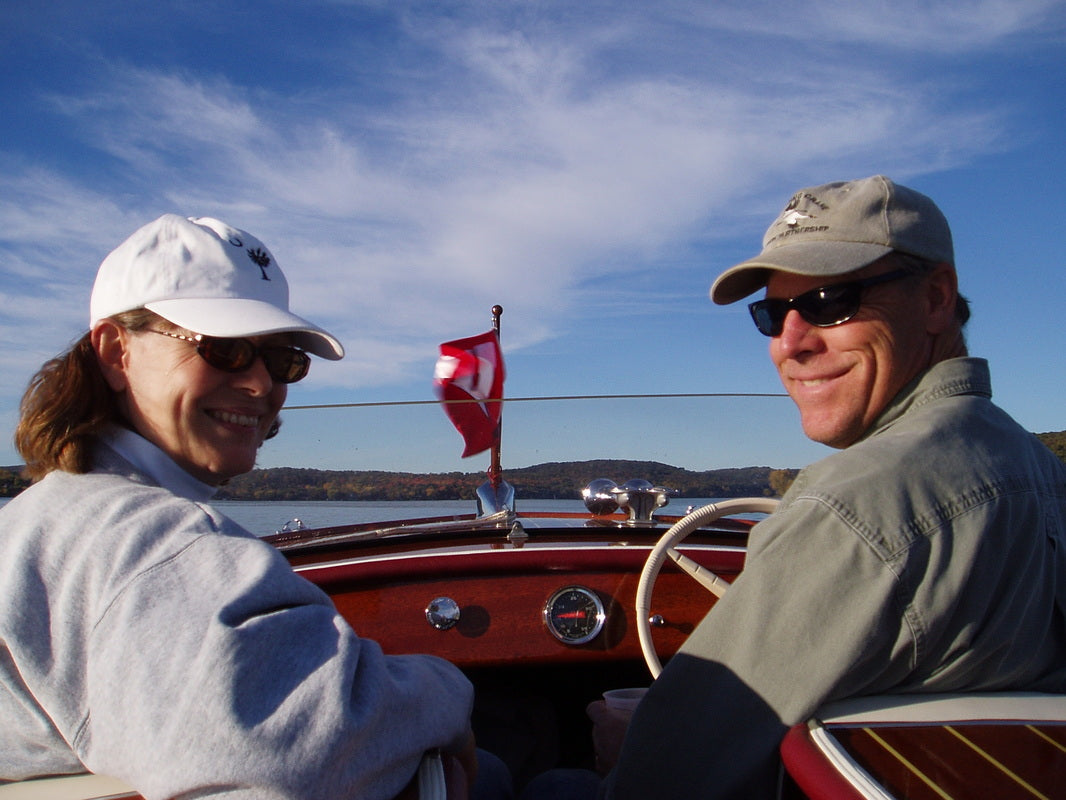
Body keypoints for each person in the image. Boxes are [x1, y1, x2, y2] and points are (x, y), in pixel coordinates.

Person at [573, 175, 1066, 798]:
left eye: (832, 300)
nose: (790, 342)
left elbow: (663, 781)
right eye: (772, 313)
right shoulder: (1041, 471)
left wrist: (628, 749)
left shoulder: (852, 508)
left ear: (937, 298)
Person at [0, 215, 497, 799]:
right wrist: (447, 691)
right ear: (116, 352)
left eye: (282, 359)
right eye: (225, 350)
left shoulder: (47, 518)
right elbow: (293, 751)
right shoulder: (152, 541)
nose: (262, 386)